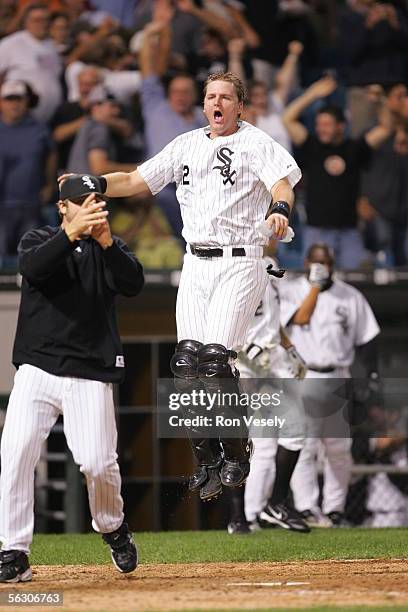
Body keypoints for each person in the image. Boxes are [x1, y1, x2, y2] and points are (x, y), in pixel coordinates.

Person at [60, 70, 301, 501]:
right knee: (185, 366)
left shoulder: (255, 141)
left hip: (240, 261)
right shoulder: (187, 144)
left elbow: (282, 182)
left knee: (213, 363)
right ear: (204, 104)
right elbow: (135, 180)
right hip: (195, 263)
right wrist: (92, 182)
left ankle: (236, 451)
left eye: (226, 97)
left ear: (239, 106)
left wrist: (280, 208)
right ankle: (207, 461)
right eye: (211, 96)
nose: (218, 103)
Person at [0, 175, 144, 582]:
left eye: (96, 199)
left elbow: (133, 282)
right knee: (15, 454)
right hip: (38, 368)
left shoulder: (108, 248)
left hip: (88, 371)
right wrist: (71, 234)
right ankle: (13, 550)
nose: (90, 206)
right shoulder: (39, 239)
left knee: (98, 463)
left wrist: (106, 242)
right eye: (80, 200)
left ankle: (113, 527)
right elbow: (33, 267)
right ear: (64, 207)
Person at [280, 242, 380, 527]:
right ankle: (307, 507)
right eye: (316, 263)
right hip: (302, 375)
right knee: (306, 446)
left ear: (334, 265)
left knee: (338, 448)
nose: (322, 268)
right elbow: (294, 321)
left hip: (338, 374)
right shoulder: (291, 290)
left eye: (326, 263)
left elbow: (368, 337)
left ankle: (335, 509)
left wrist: (371, 374)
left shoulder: (349, 296)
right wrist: (314, 284)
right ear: (307, 262)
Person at [226, 252, 309, 535]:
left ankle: (272, 505)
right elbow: (225, 319)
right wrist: (244, 356)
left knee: (293, 432)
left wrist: (290, 348)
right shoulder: (232, 264)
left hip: (273, 362)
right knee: (248, 442)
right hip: (247, 366)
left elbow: (273, 319)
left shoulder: (270, 262)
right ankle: (241, 515)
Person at [282, 75, 395, 269]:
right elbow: (287, 118)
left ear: (341, 126)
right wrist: (312, 94)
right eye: (318, 125)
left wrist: (380, 103)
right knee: (314, 284)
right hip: (316, 231)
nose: (321, 129)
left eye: (326, 125)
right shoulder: (312, 146)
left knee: (354, 282)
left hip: (349, 232)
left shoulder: (355, 148)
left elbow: (386, 128)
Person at [0, 80, 56, 260]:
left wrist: (49, 184)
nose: (15, 103)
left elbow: (51, 153)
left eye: (19, 99)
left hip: (30, 203)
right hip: (2, 205)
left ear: (27, 102)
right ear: (1, 102)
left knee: (28, 259)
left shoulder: (39, 128)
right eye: (10, 99)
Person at [0, 3, 62, 122]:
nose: (42, 24)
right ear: (26, 22)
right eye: (37, 20)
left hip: (49, 118)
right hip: (20, 117)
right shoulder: (11, 43)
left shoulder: (52, 46)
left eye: (46, 20)